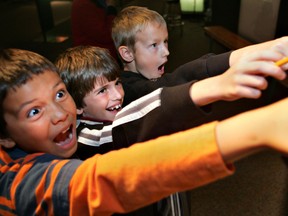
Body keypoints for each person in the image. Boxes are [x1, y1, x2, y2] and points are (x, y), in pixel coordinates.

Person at [2, 48, 288, 215]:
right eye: (34, 111)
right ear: (5, 136)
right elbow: (103, 170)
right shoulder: (21, 181)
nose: (58, 113)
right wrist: (256, 128)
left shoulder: (75, 126)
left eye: (60, 95)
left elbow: (167, 85)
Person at [111, 6, 288, 106]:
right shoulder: (128, 91)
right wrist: (268, 49)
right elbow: (177, 79)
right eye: (154, 45)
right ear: (127, 53)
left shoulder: (149, 75)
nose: (166, 52)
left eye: (165, 42)